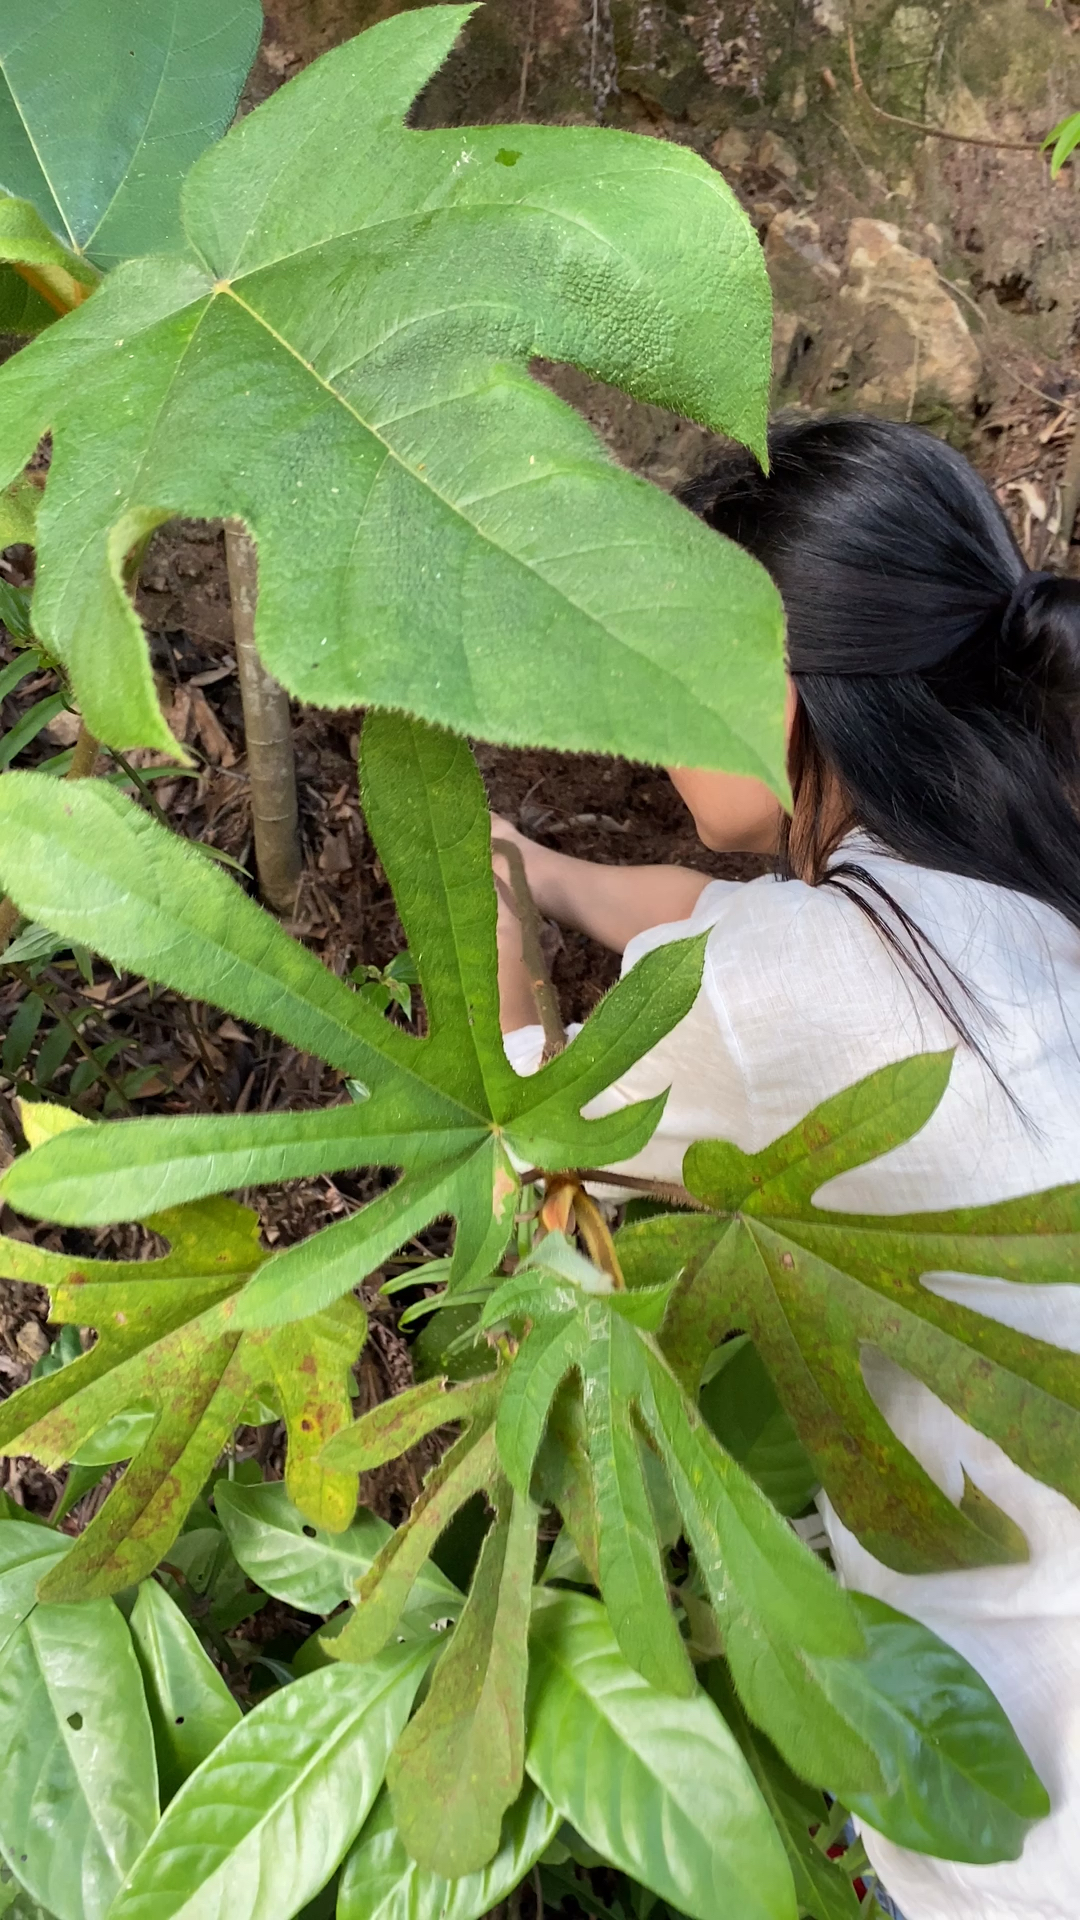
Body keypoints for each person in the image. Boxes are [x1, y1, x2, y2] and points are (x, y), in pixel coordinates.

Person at [492, 416, 1080, 1920]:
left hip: (1020, 1771)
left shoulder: (781, 991)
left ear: (788, 694)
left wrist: (488, 918)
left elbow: (529, 1153)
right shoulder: (1015, 885)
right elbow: (722, 927)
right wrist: (551, 871)